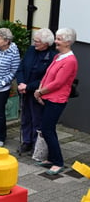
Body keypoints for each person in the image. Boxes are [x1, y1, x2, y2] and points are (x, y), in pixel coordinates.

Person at [35, 27, 79, 175]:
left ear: (68, 42)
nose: (56, 41)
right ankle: (51, 158)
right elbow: (48, 75)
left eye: (59, 39)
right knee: (48, 129)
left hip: (57, 100)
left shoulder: (70, 60)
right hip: (48, 97)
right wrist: (40, 90)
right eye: (56, 38)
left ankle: (58, 162)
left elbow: (58, 83)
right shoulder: (58, 56)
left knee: (47, 130)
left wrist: (40, 92)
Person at [15, 28, 57, 155]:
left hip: (38, 93)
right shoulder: (31, 50)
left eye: (37, 41)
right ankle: (26, 141)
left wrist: (28, 87)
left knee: (37, 119)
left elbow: (46, 79)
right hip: (25, 90)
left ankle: (36, 144)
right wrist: (21, 84)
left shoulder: (52, 57)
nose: (34, 43)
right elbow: (21, 67)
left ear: (46, 44)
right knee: (25, 117)